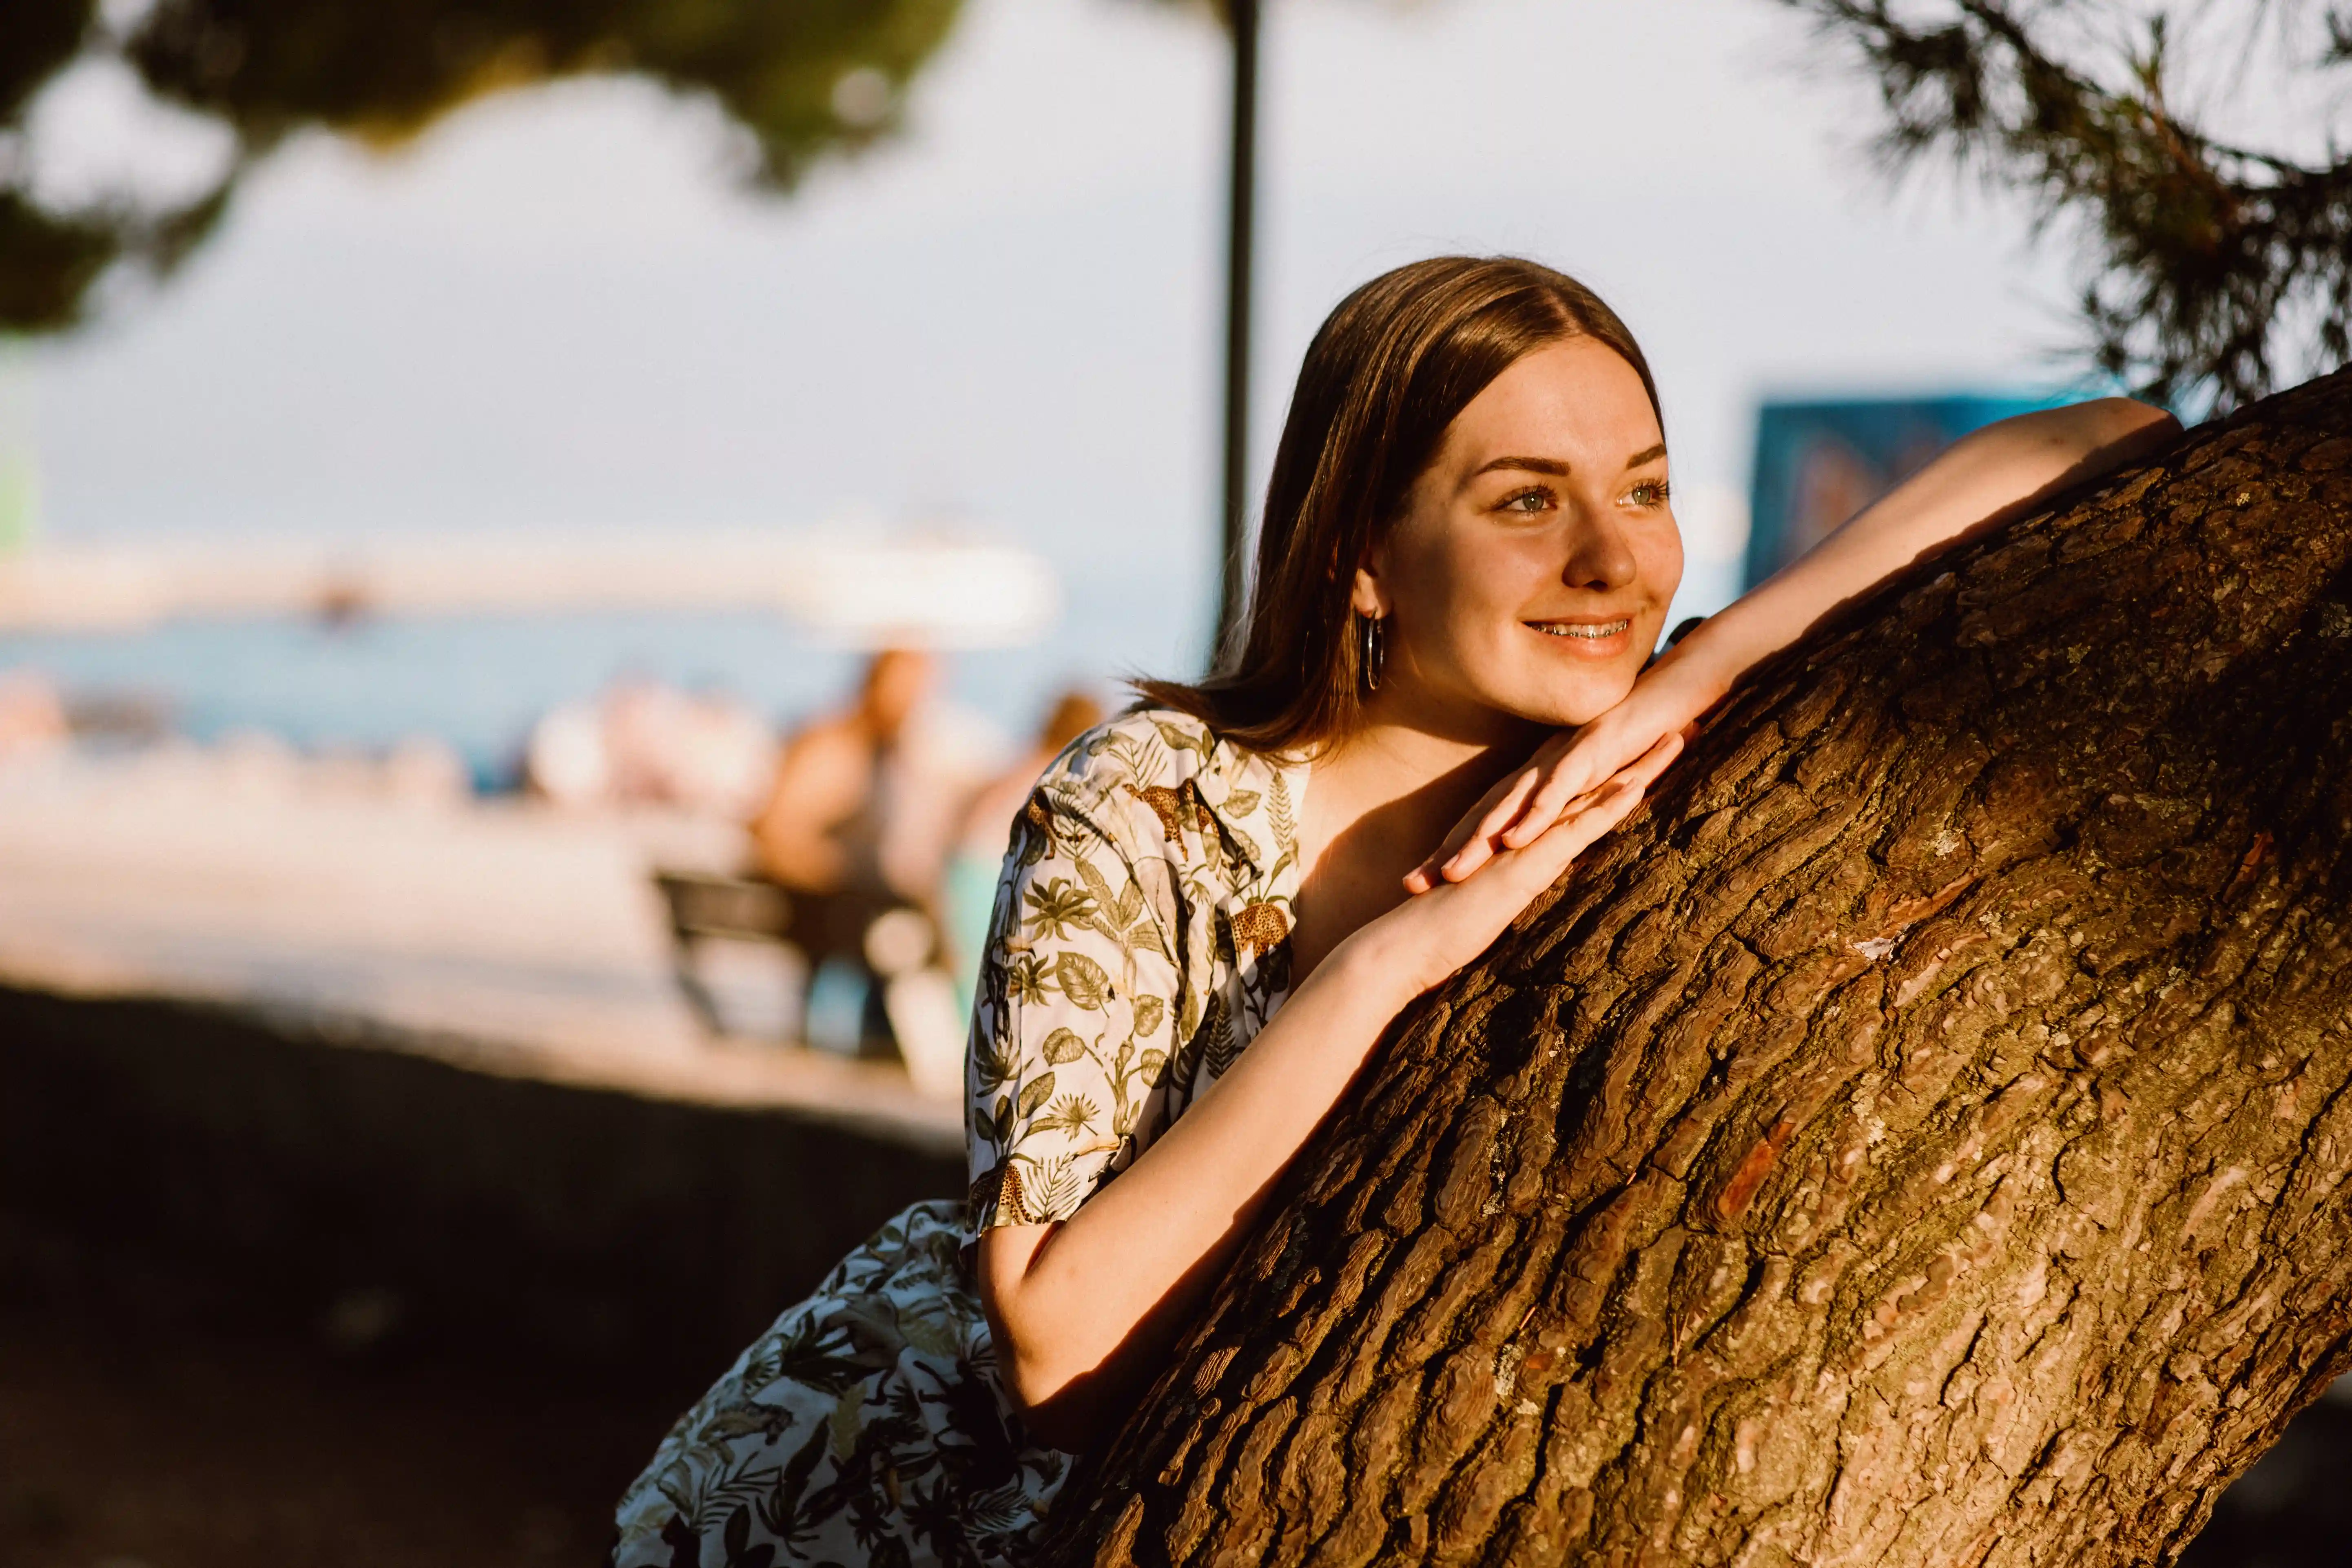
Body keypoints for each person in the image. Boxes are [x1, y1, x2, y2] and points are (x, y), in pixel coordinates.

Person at [610, 256, 2175, 1567]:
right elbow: (1053, 1346)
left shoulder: (1642, 747)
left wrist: (1712, 659)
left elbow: (2122, 435)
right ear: (1364, 553)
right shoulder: (1153, 801)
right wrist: (1379, 972)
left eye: (1646, 490)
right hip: (844, 1503)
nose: (1612, 558)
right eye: (1523, 501)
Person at [941, 688, 1109, 1022]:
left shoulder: (1028, 762)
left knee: (974, 966)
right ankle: (970, 1037)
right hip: (986, 871)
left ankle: (968, 1036)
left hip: (970, 868)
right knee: (983, 967)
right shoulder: (1057, 770)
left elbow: (969, 817)